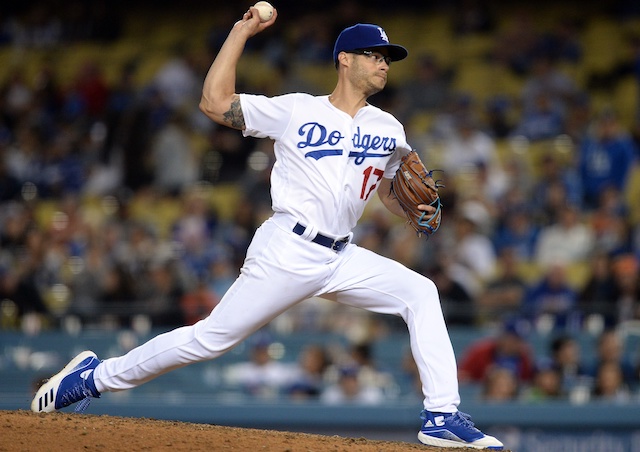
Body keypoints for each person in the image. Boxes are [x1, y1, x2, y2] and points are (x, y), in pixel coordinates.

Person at [30, 8, 503, 450]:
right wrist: (242, 31)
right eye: (374, 56)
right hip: (287, 249)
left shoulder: (389, 127)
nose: (384, 65)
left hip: (341, 256)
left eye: (386, 58)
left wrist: (412, 211)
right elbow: (215, 103)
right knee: (210, 339)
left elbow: (386, 190)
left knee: (420, 292)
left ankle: (441, 415)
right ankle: (93, 378)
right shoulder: (298, 110)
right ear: (344, 60)